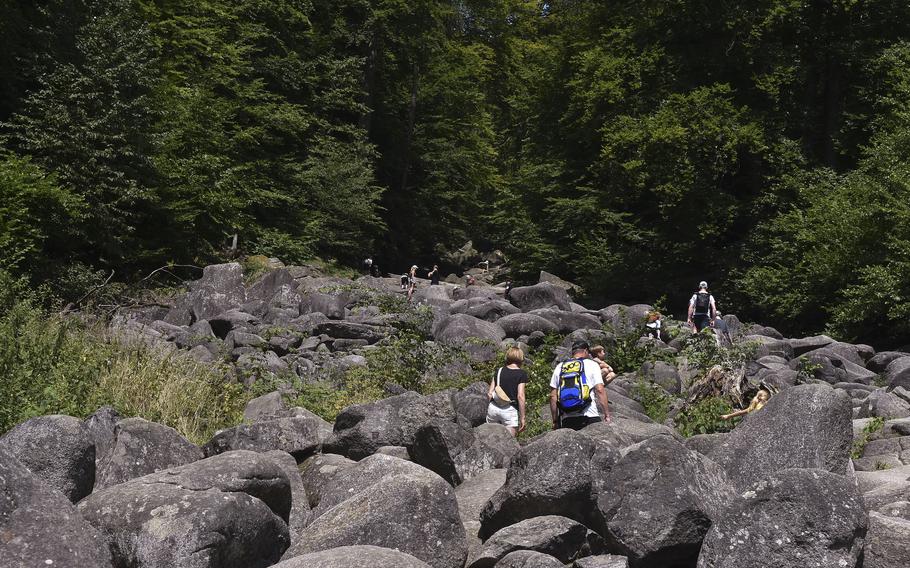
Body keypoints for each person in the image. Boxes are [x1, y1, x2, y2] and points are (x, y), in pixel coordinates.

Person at [550, 340, 611, 430]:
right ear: (585, 351)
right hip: (589, 415)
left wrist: (555, 421)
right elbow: (600, 390)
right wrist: (607, 414)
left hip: (567, 419)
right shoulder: (592, 364)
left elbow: (552, 396)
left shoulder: (560, 367)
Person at [486, 346, 528, 436]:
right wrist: (522, 418)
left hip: (493, 407)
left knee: (490, 440)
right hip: (509, 410)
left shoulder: (499, 370)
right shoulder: (522, 374)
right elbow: (520, 396)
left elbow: (490, 394)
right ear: (521, 358)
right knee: (509, 444)